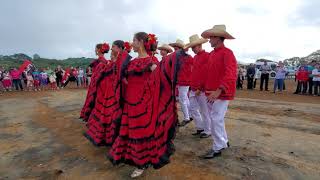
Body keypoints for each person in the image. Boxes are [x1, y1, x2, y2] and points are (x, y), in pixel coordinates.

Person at [108, 32, 177, 178]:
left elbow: (160, 81)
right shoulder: (132, 62)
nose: (132, 43)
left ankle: (142, 163)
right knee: (131, 132)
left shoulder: (151, 62)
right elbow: (125, 79)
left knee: (142, 133)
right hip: (130, 103)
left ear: (140, 42)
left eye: (134, 40)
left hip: (144, 105)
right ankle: (134, 159)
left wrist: (146, 93)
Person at [200, 24, 236, 159]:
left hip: (220, 93)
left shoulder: (228, 53)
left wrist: (219, 89)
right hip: (210, 92)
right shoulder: (212, 54)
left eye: (211, 38)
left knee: (215, 120)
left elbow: (231, 73)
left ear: (218, 38)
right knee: (217, 119)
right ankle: (224, 141)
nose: (209, 40)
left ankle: (218, 147)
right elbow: (208, 73)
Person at [183, 34, 211, 138]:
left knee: (205, 111)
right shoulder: (195, 57)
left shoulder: (207, 56)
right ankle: (200, 127)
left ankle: (208, 130)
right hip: (194, 88)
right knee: (193, 109)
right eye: (192, 48)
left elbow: (206, 74)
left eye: (194, 47)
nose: (193, 49)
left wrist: (201, 87)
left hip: (201, 89)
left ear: (199, 45)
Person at [169, 39, 193, 126]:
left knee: (183, 99)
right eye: (174, 49)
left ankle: (187, 117)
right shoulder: (176, 58)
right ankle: (190, 115)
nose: (175, 50)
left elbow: (193, 68)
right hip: (181, 81)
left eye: (176, 48)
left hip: (185, 81)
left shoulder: (188, 57)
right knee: (185, 99)